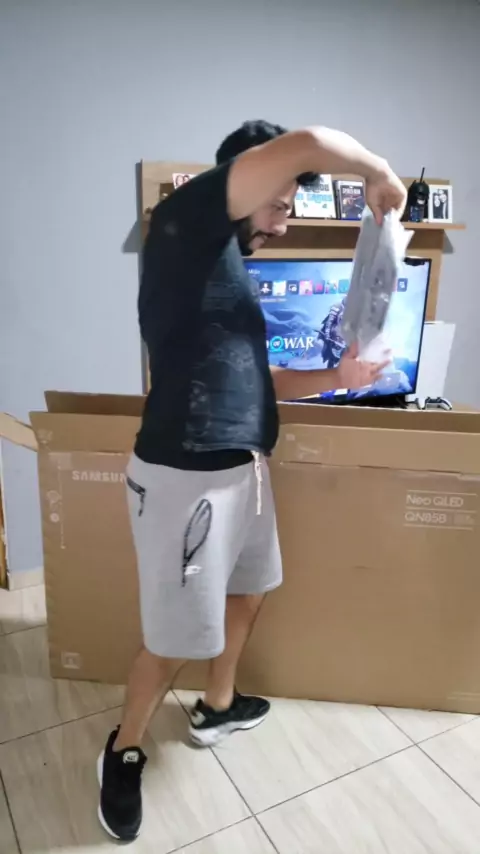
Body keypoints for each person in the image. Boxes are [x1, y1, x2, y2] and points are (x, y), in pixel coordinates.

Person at [97, 119, 406, 842]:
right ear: (246, 177)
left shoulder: (228, 267)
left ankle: (217, 705)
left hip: (246, 470)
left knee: (251, 589)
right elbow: (308, 140)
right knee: (173, 636)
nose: (284, 220)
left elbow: (254, 375)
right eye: (280, 203)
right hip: (186, 476)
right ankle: (123, 749)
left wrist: (339, 377)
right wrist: (379, 172)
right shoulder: (185, 221)